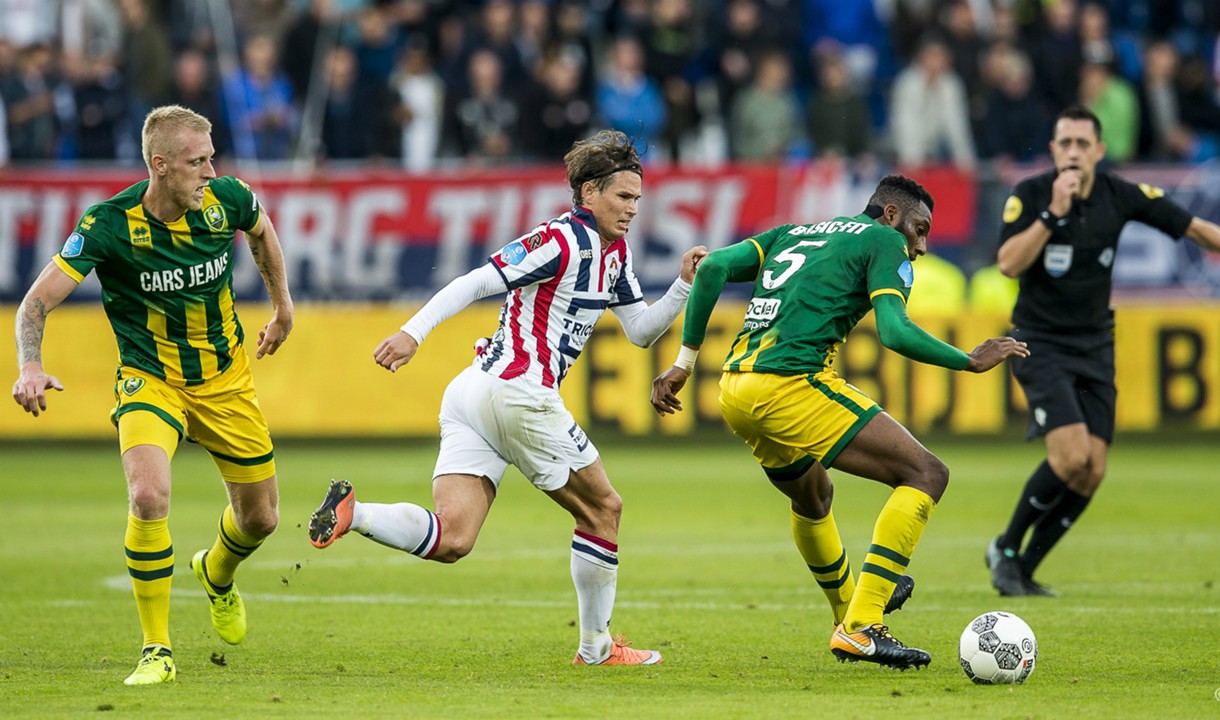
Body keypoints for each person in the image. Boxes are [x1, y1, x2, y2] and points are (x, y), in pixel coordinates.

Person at [307, 130, 706, 667]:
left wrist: (682, 285)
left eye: (637, 199)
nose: (633, 209)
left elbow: (639, 330)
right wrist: (412, 333)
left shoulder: (615, 254)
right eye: (623, 197)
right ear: (589, 193)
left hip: (473, 395)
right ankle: (596, 650)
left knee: (453, 538)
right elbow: (476, 282)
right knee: (604, 509)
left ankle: (354, 514)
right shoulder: (560, 240)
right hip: (519, 393)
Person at [650, 175, 1029, 669]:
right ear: (891, 215)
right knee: (927, 474)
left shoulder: (794, 232)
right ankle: (862, 625)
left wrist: (683, 362)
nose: (920, 246)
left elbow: (714, 267)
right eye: (919, 229)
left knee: (813, 495)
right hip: (792, 383)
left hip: (736, 389)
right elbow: (893, 331)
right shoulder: (884, 240)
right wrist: (968, 360)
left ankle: (846, 616)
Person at [11, 105, 295, 685]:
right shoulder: (107, 225)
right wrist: (30, 365)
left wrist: (282, 306)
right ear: (161, 167)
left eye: (212, 157)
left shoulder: (227, 200)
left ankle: (216, 573)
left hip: (224, 381)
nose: (211, 171)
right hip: (150, 380)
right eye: (198, 161)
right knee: (147, 496)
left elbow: (262, 231)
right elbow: (35, 302)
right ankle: (156, 650)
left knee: (262, 520)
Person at [985, 105, 1220, 597]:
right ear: (1053, 150)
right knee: (1071, 454)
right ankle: (1006, 550)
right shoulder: (1031, 195)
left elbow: (1184, 222)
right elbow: (1009, 264)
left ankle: (1026, 567)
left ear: (1099, 150)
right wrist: (1053, 213)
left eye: (1082, 144)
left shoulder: (1120, 195)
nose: (1073, 152)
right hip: (1039, 344)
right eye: (1064, 144)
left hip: (1095, 343)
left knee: (1092, 469)